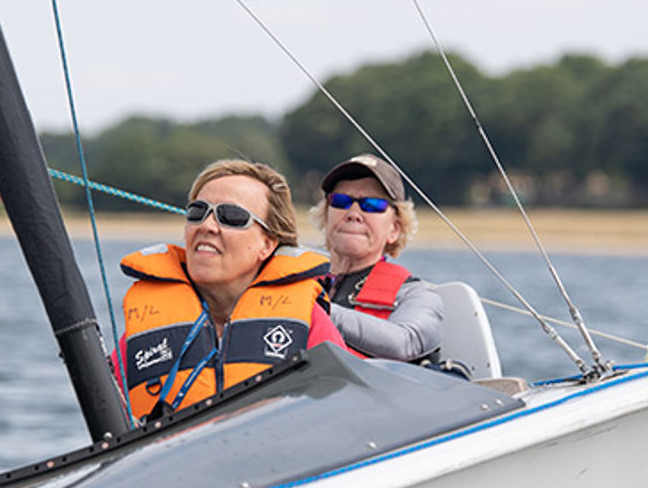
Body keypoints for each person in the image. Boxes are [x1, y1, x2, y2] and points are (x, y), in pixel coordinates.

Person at [115, 159, 344, 421]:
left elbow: (342, 417)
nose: (207, 226)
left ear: (267, 244)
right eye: (197, 212)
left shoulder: (308, 324)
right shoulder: (147, 328)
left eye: (232, 217)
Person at [311, 153, 444, 362]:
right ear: (326, 217)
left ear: (395, 229)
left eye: (372, 205)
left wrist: (316, 309)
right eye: (341, 201)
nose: (353, 213)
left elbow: (405, 343)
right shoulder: (299, 284)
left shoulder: (417, 296)